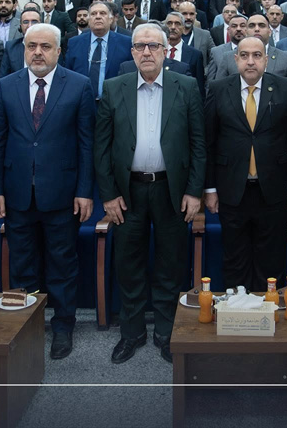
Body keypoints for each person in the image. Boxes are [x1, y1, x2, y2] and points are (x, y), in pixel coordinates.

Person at [94, 23, 205, 364]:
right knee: (129, 263)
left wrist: (194, 191)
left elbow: (199, 144)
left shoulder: (186, 86)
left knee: (171, 264)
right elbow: (101, 147)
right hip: (128, 193)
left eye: (153, 46)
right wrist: (108, 195)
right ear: (131, 52)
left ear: (165, 50)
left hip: (171, 190)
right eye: (140, 46)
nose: (146, 52)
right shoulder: (114, 87)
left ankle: (166, 331)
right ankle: (132, 332)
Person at [0, 24, 94, 360]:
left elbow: (86, 144)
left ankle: (63, 326)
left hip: (62, 194)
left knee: (62, 264)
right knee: (22, 266)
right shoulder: (6, 85)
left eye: (45, 46)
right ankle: (27, 325)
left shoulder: (79, 85)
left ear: (58, 51)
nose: (37, 52)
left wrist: (84, 190)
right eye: (31, 45)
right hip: (17, 193)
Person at [204, 36, 287, 292]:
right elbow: (209, 143)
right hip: (231, 190)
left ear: (266, 60)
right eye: (245, 55)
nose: (251, 61)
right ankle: (237, 311)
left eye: (257, 55)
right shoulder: (218, 88)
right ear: (235, 59)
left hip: (273, 190)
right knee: (234, 259)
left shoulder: (285, 88)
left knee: (271, 261)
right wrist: (210, 188)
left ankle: (267, 312)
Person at [64, 1, 132, 101]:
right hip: (81, 101)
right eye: (93, 14)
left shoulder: (126, 43)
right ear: (88, 20)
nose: (98, 17)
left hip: (114, 101)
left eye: (103, 13)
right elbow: (68, 73)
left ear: (111, 19)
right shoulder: (74, 43)